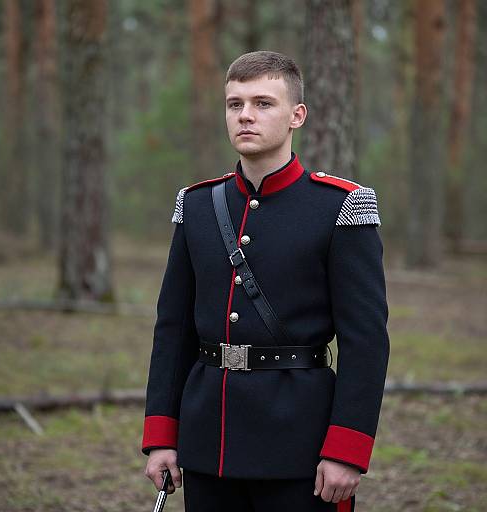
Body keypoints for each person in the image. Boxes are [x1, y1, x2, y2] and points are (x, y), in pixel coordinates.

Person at [141, 50, 390, 512]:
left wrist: (347, 450)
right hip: (207, 440)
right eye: (235, 105)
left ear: (297, 115)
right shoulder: (196, 206)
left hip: (300, 445)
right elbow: (172, 329)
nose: (246, 116)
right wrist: (161, 436)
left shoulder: (342, 206)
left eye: (263, 103)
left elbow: (366, 341)